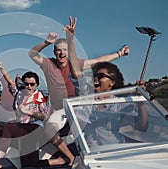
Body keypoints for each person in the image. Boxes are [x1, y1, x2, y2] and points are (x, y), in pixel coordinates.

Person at [28, 16, 130, 165]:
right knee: (49, 129)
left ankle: (74, 157)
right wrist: (46, 42)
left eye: (65, 50)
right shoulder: (48, 63)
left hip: (77, 107)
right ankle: (69, 158)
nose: (62, 53)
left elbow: (99, 60)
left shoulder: (75, 64)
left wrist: (119, 54)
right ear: (55, 52)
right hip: (61, 110)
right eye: (58, 50)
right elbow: (32, 54)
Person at [72, 61, 148, 146]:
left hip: (112, 149)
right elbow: (75, 74)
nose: (95, 79)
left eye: (100, 76)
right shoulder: (86, 99)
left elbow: (141, 127)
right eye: (94, 76)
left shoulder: (120, 103)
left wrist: (141, 102)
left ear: (112, 82)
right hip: (89, 152)